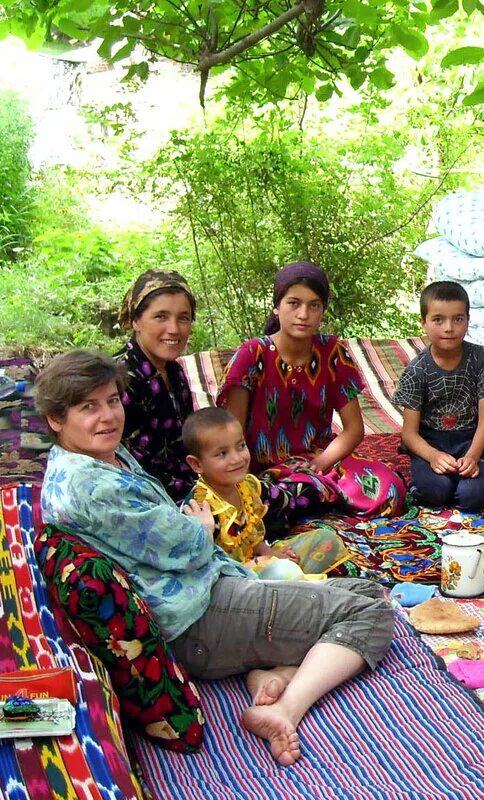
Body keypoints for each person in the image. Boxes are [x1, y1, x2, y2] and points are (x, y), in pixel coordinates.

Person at [37, 350, 394, 766]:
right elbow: (186, 546)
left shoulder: (98, 457)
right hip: (197, 617)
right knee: (371, 614)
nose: (108, 416)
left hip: (209, 587)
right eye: (88, 407)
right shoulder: (89, 486)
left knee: (364, 589)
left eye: (112, 401)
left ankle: (274, 670)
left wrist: (203, 533)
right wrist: (202, 529)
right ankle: (284, 709)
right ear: (56, 419)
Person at [218, 262, 406, 525]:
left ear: (322, 311)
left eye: (314, 305)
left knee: (389, 488)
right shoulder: (252, 355)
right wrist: (241, 480)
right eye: (293, 303)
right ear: (276, 306)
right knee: (276, 497)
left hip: (320, 461)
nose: (303, 314)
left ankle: (312, 499)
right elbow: (229, 432)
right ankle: (309, 499)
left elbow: (353, 429)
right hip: (263, 470)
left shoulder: (332, 353)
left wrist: (321, 462)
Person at [182, 406, 350, 576]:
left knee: (326, 540)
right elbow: (206, 571)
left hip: (255, 565)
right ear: (197, 464)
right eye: (222, 453)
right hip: (231, 584)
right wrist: (256, 563)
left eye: (240, 446)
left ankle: (296, 588)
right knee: (286, 572)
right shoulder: (201, 508)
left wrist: (271, 554)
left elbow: (252, 536)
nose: (237, 458)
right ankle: (297, 590)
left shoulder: (245, 486)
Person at [391, 281, 484, 512]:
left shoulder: (483, 359)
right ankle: (427, 478)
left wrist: (473, 456)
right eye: (438, 320)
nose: (449, 328)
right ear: (424, 322)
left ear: (467, 320)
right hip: (430, 441)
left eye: (458, 319)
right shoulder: (417, 370)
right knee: (435, 492)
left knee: (473, 497)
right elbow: (409, 433)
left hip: (470, 439)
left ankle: (483, 475)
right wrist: (433, 456)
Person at [118, 269, 198, 502]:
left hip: (188, 485)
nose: (174, 329)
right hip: (150, 500)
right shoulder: (120, 378)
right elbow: (132, 468)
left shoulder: (174, 371)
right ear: (136, 321)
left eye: (183, 318)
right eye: (160, 317)